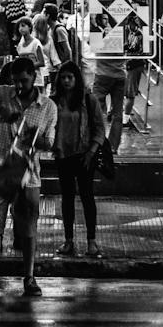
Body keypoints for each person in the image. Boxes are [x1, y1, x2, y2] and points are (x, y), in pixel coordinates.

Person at [0, 56, 59, 299]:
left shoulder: (48, 107)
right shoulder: (2, 93)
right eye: (16, 81)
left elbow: (49, 143)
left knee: (28, 227)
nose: (19, 86)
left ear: (33, 78)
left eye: (24, 81)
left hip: (28, 175)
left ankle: (29, 278)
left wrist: (31, 138)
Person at [48, 59, 107, 258]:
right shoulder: (54, 101)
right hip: (63, 155)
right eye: (63, 77)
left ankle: (92, 242)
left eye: (70, 77)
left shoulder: (88, 100)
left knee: (87, 196)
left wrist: (91, 151)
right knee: (67, 198)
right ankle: (69, 241)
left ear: (76, 79)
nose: (66, 81)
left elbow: (99, 128)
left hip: (84, 156)